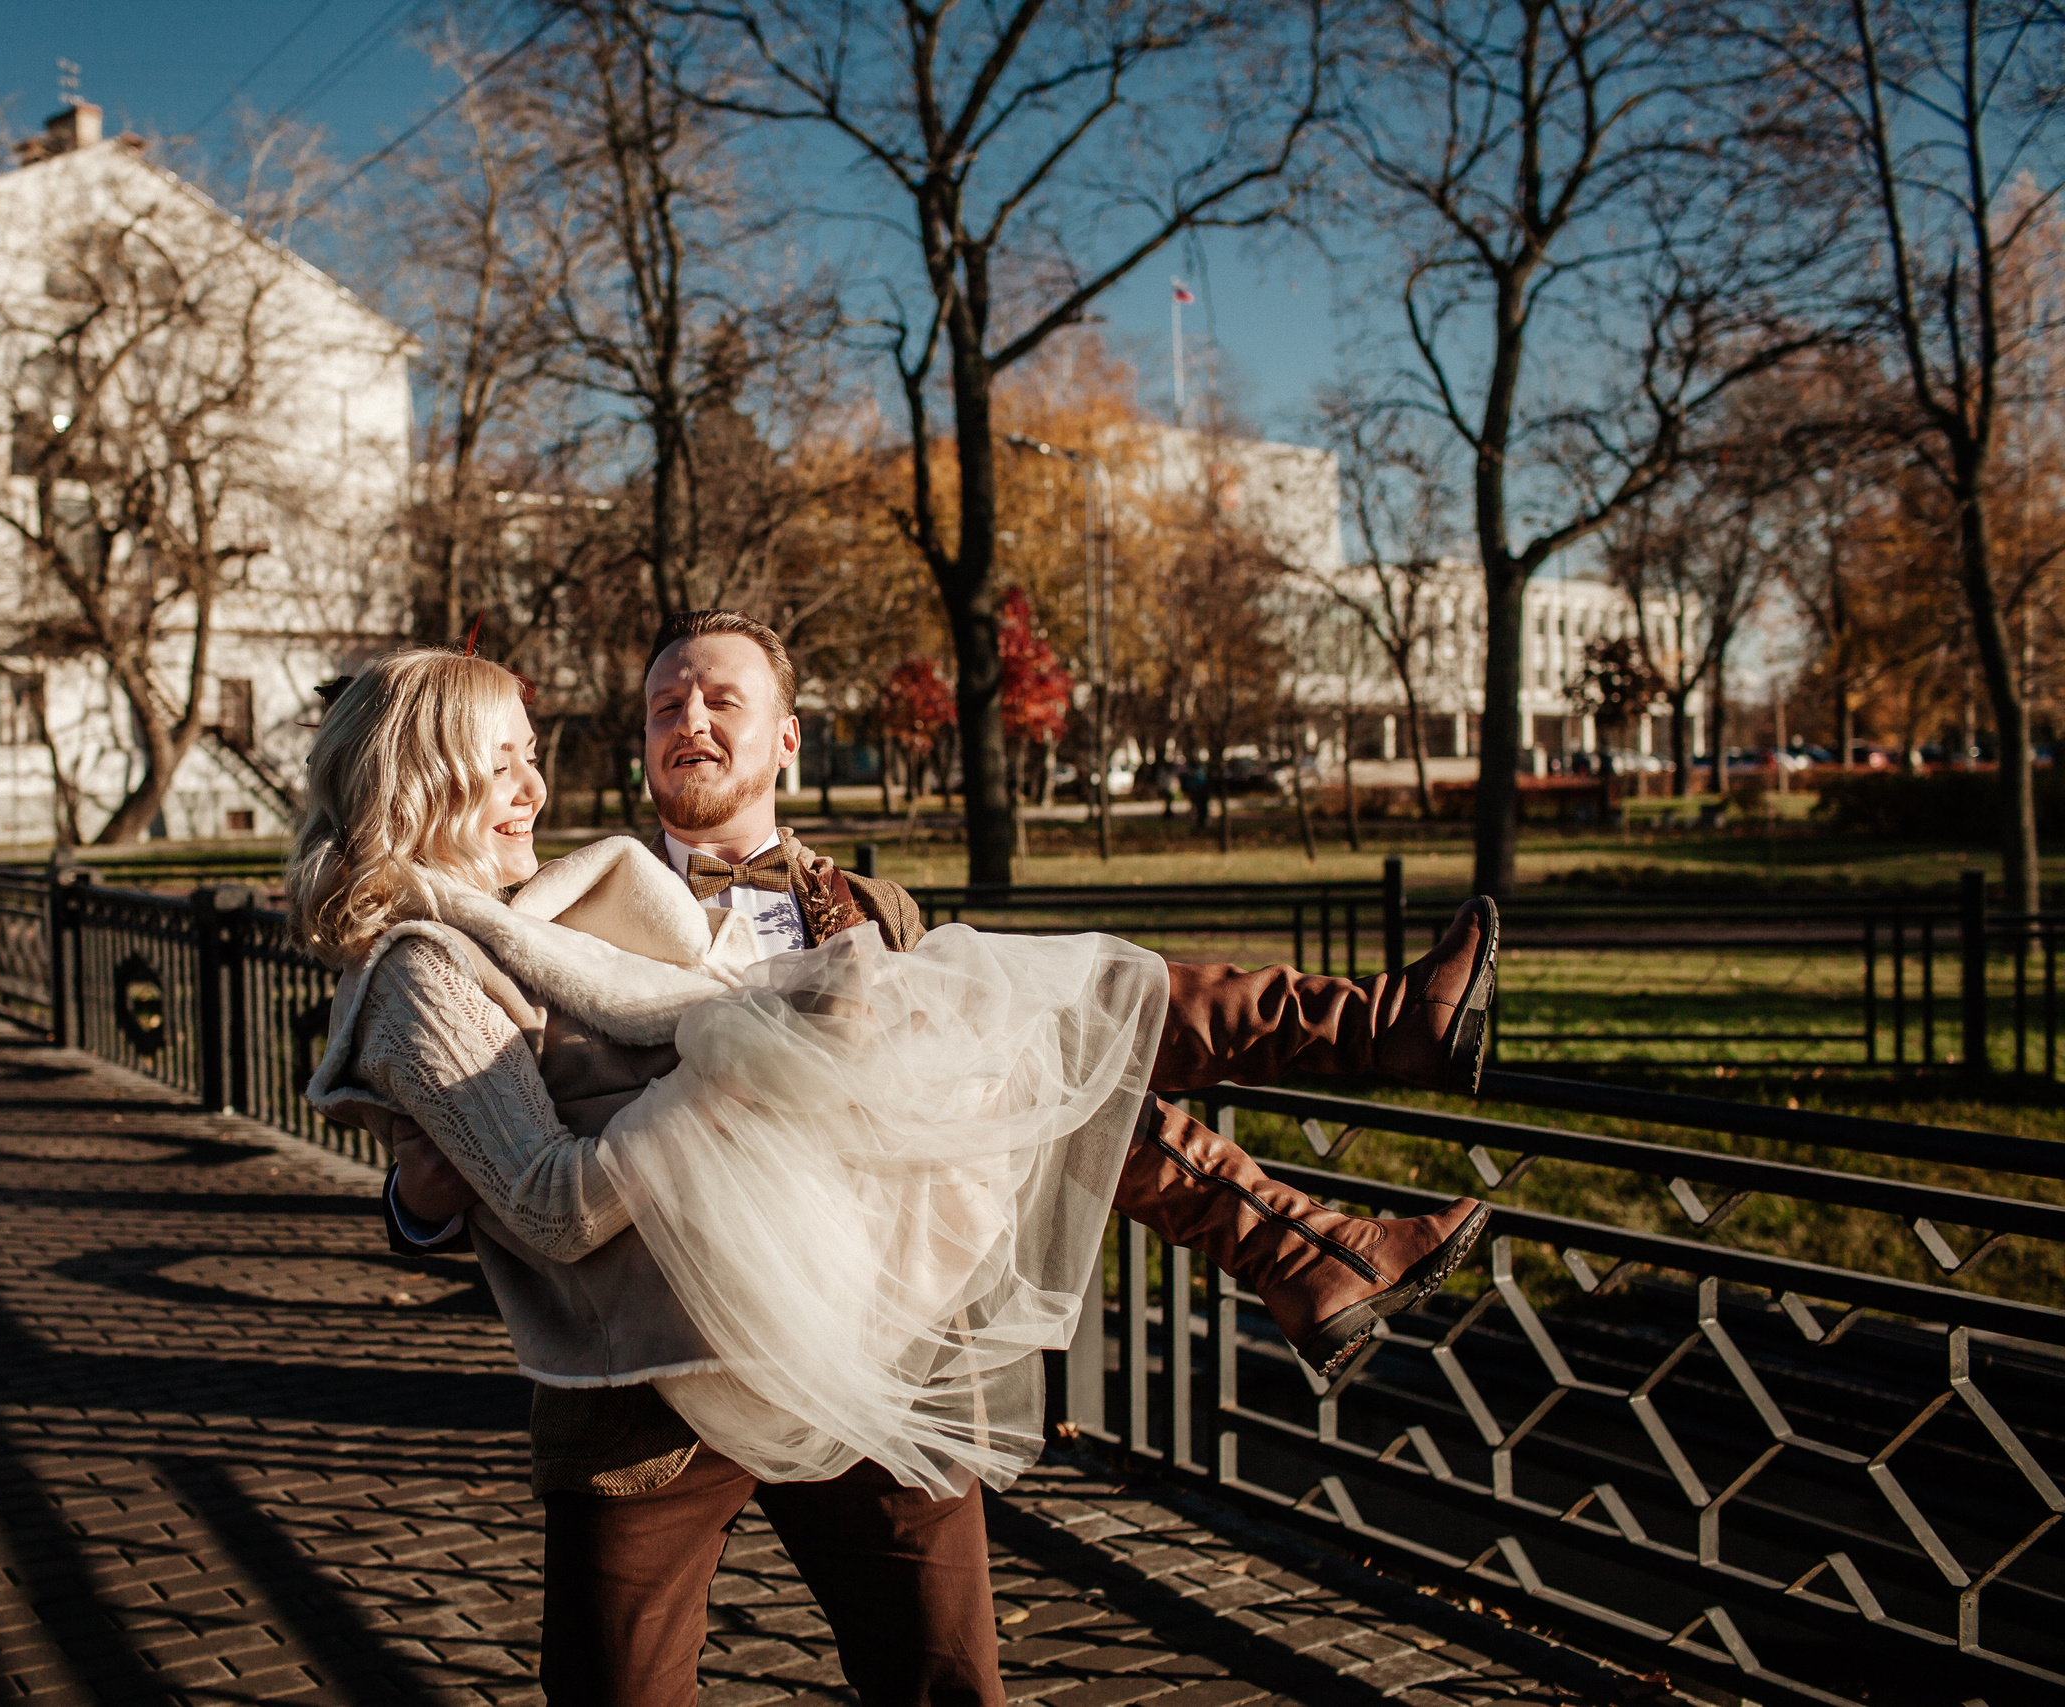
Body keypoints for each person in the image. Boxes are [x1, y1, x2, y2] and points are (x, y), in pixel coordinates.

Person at [296, 617, 1495, 1705]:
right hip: (648, 1389)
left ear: (787, 741)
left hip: (870, 1344)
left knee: (942, 1682)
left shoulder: (877, 910)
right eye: (665, 706)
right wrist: (416, 1200)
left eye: (720, 701)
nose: (688, 722)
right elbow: (498, 1151)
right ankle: (1326, 1203)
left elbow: (990, 1112)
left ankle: (1349, 1137)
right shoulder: (563, 907)